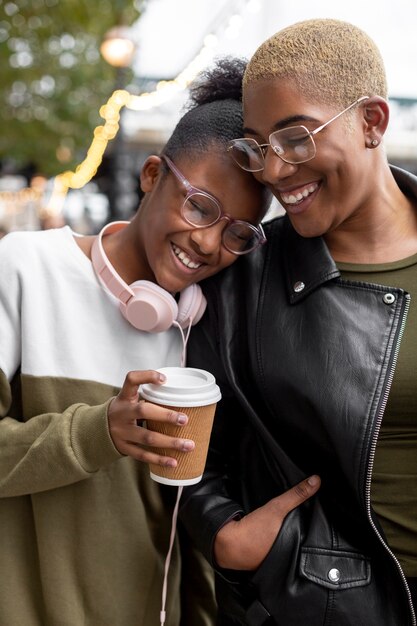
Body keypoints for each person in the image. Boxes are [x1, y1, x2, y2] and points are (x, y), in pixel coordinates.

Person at [0, 57, 270, 626]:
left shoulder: (203, 328)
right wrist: (99, 431)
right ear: (151, 175)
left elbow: (184, 533)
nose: (207, 242)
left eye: (237, 233)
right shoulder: (24, 269)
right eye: (200, 205)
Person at [175, 18, 417, 626]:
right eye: (258, 146)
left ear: (372, 122)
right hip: (319, 605)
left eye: (297, 138)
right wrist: (224, 534)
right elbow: (196, 444)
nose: (275, 171)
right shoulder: (243, 280)